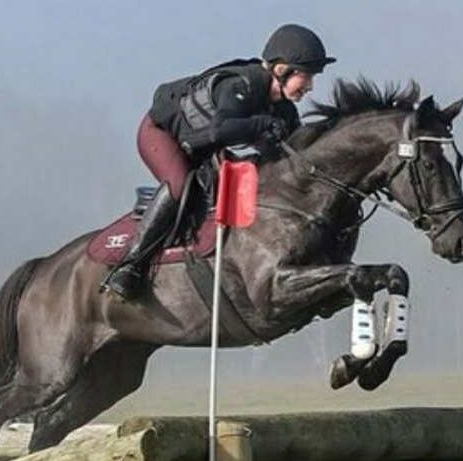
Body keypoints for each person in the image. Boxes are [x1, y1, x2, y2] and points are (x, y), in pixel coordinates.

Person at [101, 23, 336, 301]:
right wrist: (262, 124)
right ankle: (130, 265)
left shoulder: (284, 110)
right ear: (282, 69)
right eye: (306, 76)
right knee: (180, 185)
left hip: (202, 147)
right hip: (161, 134)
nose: (310, 86)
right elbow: (220, 130)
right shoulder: (241, 85)